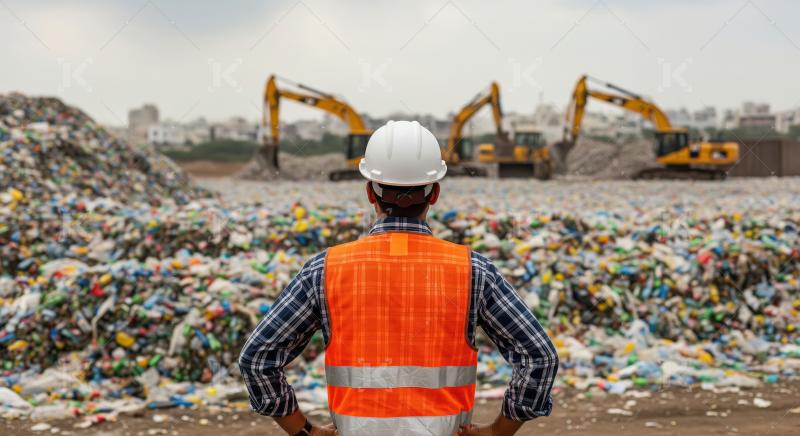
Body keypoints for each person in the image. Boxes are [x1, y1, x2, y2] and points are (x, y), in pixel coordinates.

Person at [239, 120, 559, 436]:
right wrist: (498, 431)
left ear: (370, 192)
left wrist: (303, 431)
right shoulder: (474, 271)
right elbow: (539, 358)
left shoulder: (324, 270)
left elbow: (256, 360)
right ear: (434, 193)